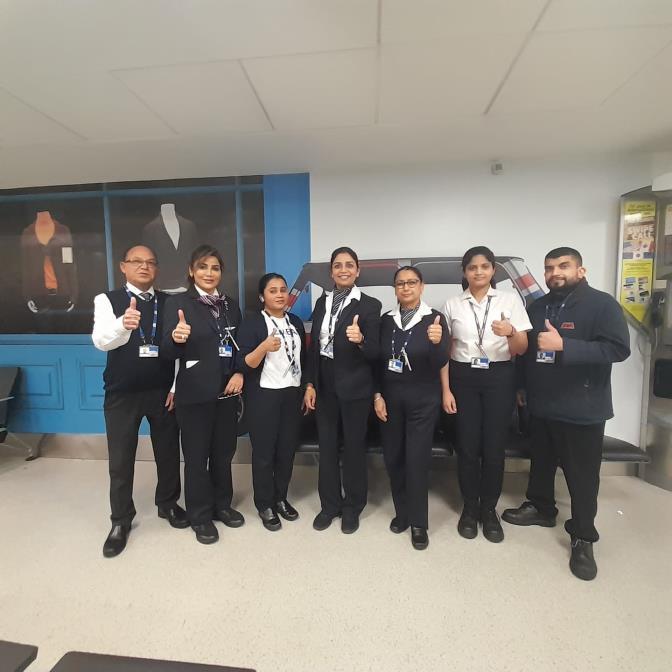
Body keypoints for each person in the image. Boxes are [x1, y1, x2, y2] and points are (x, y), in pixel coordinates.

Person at [502, 247, 630, 580]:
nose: (555, 273)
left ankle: (583, 536)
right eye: (549, 268)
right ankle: (541, 507)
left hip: (582, 407)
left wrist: (565, 346)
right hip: (542, 404)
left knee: (582, 476)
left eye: (563, 266)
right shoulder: (538, 306)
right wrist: (521, 386)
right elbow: (527, 352)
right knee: (541, 462)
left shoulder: (602, 305)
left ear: (580, 270)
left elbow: (618, 348)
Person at [92, 244, 187, 559]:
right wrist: (123, 324)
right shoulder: (107, 300)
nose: (144, 267)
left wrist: (175, 386)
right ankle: (120, 520)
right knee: (121, 460)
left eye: (150, 262)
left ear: (157, 268)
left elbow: (178, 348)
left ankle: (168, 504)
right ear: (123, 266)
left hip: (162, 392)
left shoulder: (169, 302)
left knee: (168, 452)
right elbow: (100, 341)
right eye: (136, 261)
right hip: (122, 394)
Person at [441, 246, 531, 543]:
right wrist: (446, 389)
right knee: (467, 445)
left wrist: (511, 332)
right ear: (465, 272)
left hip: (499, 376)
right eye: (472, 267)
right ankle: (470, 507)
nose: (478, 272)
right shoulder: (453, 304)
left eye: (484, 266)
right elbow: (446, 350)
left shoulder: (509, 300)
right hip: (463, 376)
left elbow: (521, 348)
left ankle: (489, 509)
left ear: (493, 270)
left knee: (494, 446)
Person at [161, 244, 245, 545]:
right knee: (197, 458)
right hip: (195, 394)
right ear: (191, 270)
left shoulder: (230, 305)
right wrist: (176, 337)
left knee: (223, 454)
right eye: (203, 267)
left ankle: (222, 505)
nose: (209, 273)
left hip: (227, 393)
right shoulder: (178, 303)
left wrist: (239, 372)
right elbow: (167, 351)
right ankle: (199, 515)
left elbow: (239, 345)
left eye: (215, 268)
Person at [303, 246, 381, 534]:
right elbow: (314, 348)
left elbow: (376, 352)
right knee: (326, 448)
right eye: (338, 265)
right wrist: (310, 383)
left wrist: (361, 340)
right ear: (331, 271)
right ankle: (330, 505)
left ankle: (353, 507)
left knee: (354, 448)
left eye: (349, 265)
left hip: (355, 386)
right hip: (325, 383)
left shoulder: (369, 305)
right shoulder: (322, 303)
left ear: (357, 271)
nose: (343, 270)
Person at [374, 266, 449, 550]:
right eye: (400, 283)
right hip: (390, 399)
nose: (406, 288)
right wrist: (377, 395)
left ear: (422, 286)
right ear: (395, 289)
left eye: (411, 283)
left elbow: (441, 361)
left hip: (422, 400)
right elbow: (377, 363)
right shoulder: (386, 321)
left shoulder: (434, 319)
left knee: (416, 460)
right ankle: (402, 513)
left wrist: (437, 342)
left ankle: (419, 522)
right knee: (393, 458)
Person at [238, 273, 306, 531]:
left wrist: (308, 386)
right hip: (263, 396)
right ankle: (264, 504)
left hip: (291, 395)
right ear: (262, 297)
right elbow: (244, 364)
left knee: (286, 451)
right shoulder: (252, 323)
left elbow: (304, 359)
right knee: (264, 453)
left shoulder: (295, 322)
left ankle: (280, 498)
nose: (279, 295)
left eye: (283, 290)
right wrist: (263, 347)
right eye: (273, 290)